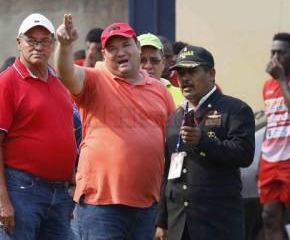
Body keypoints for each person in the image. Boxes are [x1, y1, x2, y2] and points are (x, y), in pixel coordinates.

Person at [54, 14, 175, 240]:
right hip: (101, 206)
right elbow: (65, 73)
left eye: (126, 44)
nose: (120, 52)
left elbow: (171, 144)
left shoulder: (160, 91)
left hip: (148, 206)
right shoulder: (95, 79)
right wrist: (65, 45)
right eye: (112, 48)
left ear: (138, 47)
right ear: (104, 55)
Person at [154, 45, 255, 240]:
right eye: (180, 73)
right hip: (179, 224)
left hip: (217, 223)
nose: (184, 78)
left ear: (211, 74)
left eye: (192, 71)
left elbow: (244, 154)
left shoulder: (235, 110)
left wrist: (203, 141)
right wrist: (162, 221)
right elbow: (168, 173)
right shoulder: (175, 117)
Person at [0, 13, 77, 239]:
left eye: (44, 41)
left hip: (59, 194)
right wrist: (3, 202)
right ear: (18, 43)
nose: (38, 46)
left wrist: (72, 178)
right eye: (31, 40)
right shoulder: (7, 83)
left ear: (52, 44)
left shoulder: (58, 81)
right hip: (21, 190)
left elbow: (67, 132)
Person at [259, 32, 290, 240]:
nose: (275, 58)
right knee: (269, 216)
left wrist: (283, 79)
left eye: (281, 53)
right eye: (272, 52)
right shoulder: (268, 86)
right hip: (270, 161)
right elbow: (271, 124)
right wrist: (261, 160)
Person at [137, 33, 184, 107]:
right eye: (142, 60)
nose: (148, 66)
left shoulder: (181, 97)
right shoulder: (122, 95)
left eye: (154, 60)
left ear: (163, 63)